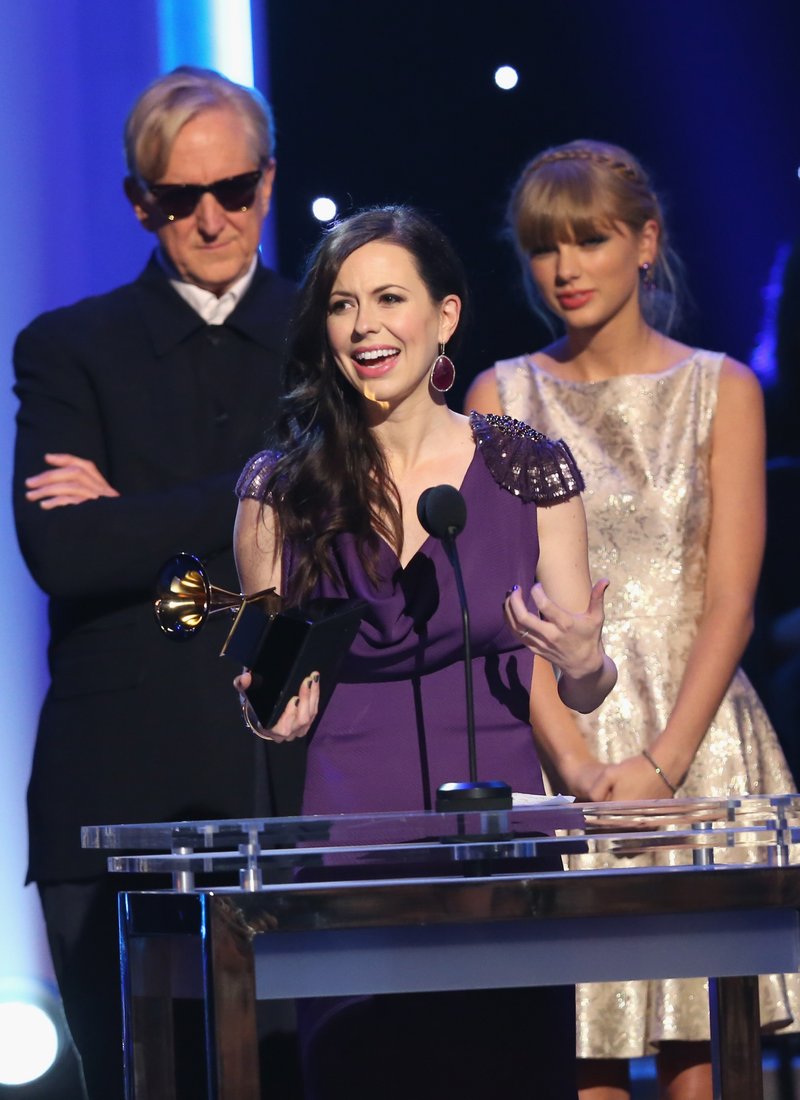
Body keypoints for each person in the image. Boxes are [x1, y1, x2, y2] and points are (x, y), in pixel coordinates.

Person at [232, 205, 617, 1099]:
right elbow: (265, 683)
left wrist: (585, 661)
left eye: (389, 299)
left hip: (500, 836)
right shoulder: (279, 487)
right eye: (342, 305)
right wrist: (269, 710)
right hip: (353, 837)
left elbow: (585, 684)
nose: (364, 327)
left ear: (444, 317)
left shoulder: (527, 468)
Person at [465, 138, 800, 1100]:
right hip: (557, 747)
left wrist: (662, 764)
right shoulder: (501, 397)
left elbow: (731, 599)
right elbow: (505, 609)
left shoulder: (720, 389)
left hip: (698, 741)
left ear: (645, 242)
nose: (565, 268)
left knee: (706, 1049)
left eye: (590, 240)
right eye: (543, 247)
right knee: (580, 1043)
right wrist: (576, 767)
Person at [12, 66, 300, 1100]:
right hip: (113, 786)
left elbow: (354, 533)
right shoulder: (69, 347)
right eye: (181, 198)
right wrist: (264, 488)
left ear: (268, 182)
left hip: (289, 777)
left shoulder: (329, 338)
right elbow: (65, 553)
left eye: (233, 190)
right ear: (140, 203)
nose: (212, 219)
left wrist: (132, 508)